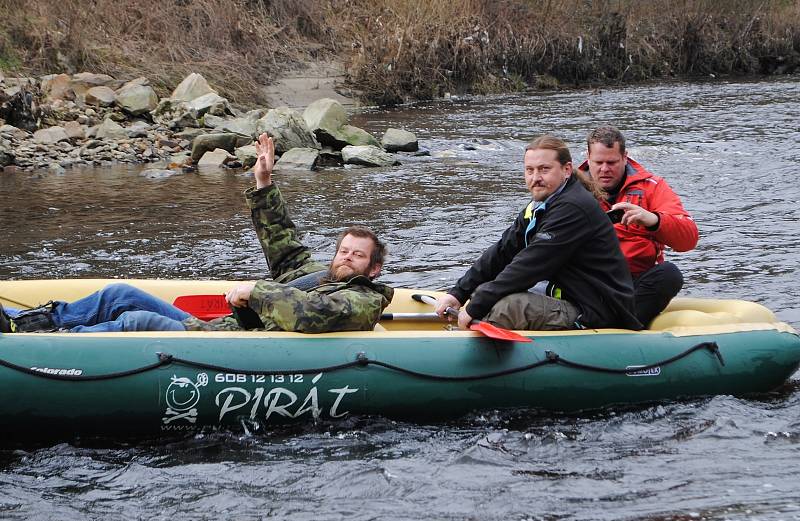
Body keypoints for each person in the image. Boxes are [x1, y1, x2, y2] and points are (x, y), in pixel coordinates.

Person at [0, 134, 393, 334]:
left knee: (137, 322)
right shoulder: (317, 276)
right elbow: (285, 245)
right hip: (217, 329)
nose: (345, 257)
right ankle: (22, 322)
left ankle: (48, 347)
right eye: (343, 250)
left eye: (356, 255)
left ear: (373, 269)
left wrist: (255, 292)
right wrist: (263, 181)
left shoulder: (360, 301)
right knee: (118, 294)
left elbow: (311, 314)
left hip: (234, 347)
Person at [434, 135, 641, 332]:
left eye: (544, 169)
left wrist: (475, 307)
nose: (535, 178)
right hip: (566, 296)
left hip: (594, 308)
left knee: (510, 307)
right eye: (530, 170)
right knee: (484, 293)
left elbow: (530, 263)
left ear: (566, 170)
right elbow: (502, 250)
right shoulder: (539, 205)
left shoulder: (573, 208)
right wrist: (459, 293)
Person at [579, 126, 699, 326]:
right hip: (588, 280)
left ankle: (613, 326)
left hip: (635, 281)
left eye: (612, 162)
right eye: (598, 163)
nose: (604, 169)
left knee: (669, 274)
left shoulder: (652, 186)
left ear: (625, 157)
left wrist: (653, 220)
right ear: (587, 158)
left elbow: (688, 239)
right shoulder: (572, 189)